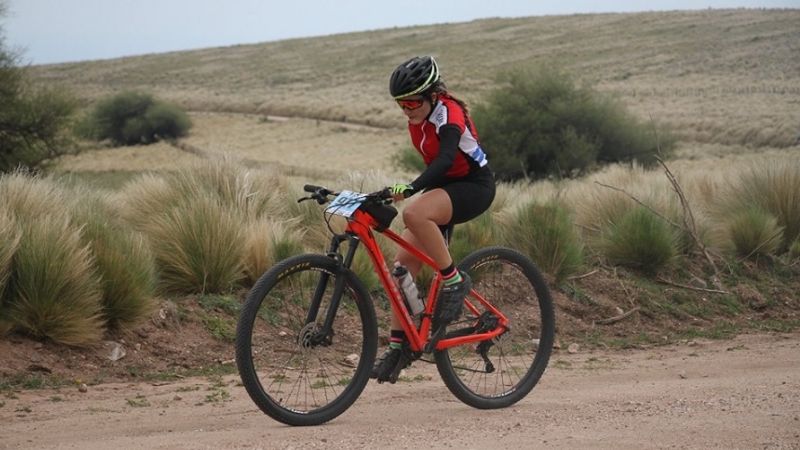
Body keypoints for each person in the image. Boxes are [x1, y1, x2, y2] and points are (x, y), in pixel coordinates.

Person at [371, 56, 496, 383]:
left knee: (413, 212)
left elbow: (443, 160)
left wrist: (410, 188)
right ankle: (401, 348)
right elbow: (436, 171)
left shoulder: (448, 113)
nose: (406, 109)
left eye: (412, 101)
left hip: (474, 187)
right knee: (400, 271)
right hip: (445, 188)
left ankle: (454, 280)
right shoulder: (419, 117)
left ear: (431, 94)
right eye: (400, 103)